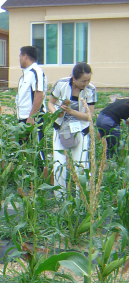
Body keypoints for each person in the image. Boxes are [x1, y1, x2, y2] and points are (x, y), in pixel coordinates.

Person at [47, 63, 96, 195]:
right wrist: (56, 113)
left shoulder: (91, 90)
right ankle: (59, 199)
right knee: (59, 165)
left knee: (80, 165)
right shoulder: (61, 84)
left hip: (80, 131)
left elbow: (89, 116)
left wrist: (71, 111)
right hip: (60, 130)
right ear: (74, 78)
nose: (86, 83)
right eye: (83, 81)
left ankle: (82, 200)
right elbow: (51, 103)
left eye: (88, 80)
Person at [17, 46, 47, 156]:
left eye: (20, 56)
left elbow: (39, 95)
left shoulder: (36, 72)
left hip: (33, 118)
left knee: (38, 152)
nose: (19, 59)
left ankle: (43, 172)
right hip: (23, 118)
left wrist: (32, 117)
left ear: (25, 56)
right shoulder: (24, 75)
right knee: (24, 152)